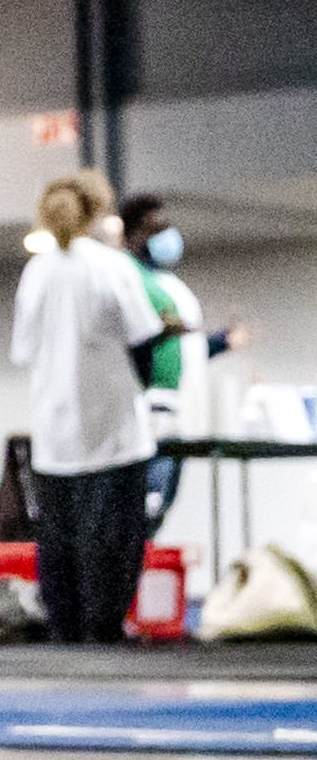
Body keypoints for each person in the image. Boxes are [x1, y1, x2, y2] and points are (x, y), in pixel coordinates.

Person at [12, 170, 164, 644]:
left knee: (58, 539)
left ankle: (65, 628)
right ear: (97, 212)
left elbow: (24, 351)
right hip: (114, 430)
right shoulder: (111, 266)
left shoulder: (36, 272)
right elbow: (144, 337)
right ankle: (105, 626)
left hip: (55, 432)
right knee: (113, 537)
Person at [117, 192, 240, 525]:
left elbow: (185, 346)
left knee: (161, 502)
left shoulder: (164, 281)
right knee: (147, 502)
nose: (164, 234)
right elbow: (140, 337)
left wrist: (221, 343)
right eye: (154, 227)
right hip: (151, 402)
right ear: (134, 232)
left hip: (178, 401)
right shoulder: (125, 274)